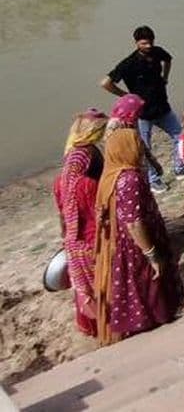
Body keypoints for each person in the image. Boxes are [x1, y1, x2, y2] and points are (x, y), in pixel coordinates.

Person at [93, 127, 183, 346]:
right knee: (150, 280)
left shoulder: (111, 176)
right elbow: (134, 222)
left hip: (125, 243)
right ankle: (156, 323)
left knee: (135, 284)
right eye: (137, 143)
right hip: (138, 244)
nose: (141, 147)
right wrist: (151, 254)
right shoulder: (130, 179)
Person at [100, 25, 184, 193]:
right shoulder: (128, 64)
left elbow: (168, 59)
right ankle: (154, 180)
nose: (148, 46)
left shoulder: (157, 52)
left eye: (150, 42)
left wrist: (165, 78)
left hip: (163, 108)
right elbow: (105, 83)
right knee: (144, 148)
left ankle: (180, 168)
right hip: (143, 114)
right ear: (136, 43)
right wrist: (126, 97)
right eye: (144, 43)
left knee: (180, 137)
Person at [54, 108, 107, 337]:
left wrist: (65, 236)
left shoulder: (62, 180)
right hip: (91, 236)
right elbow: (101, 211)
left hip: (73, 239)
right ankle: (108, 324)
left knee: (83, 285)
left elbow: (62, 215)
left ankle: (91, 324)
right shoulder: (88, 182)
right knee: (102, 282)